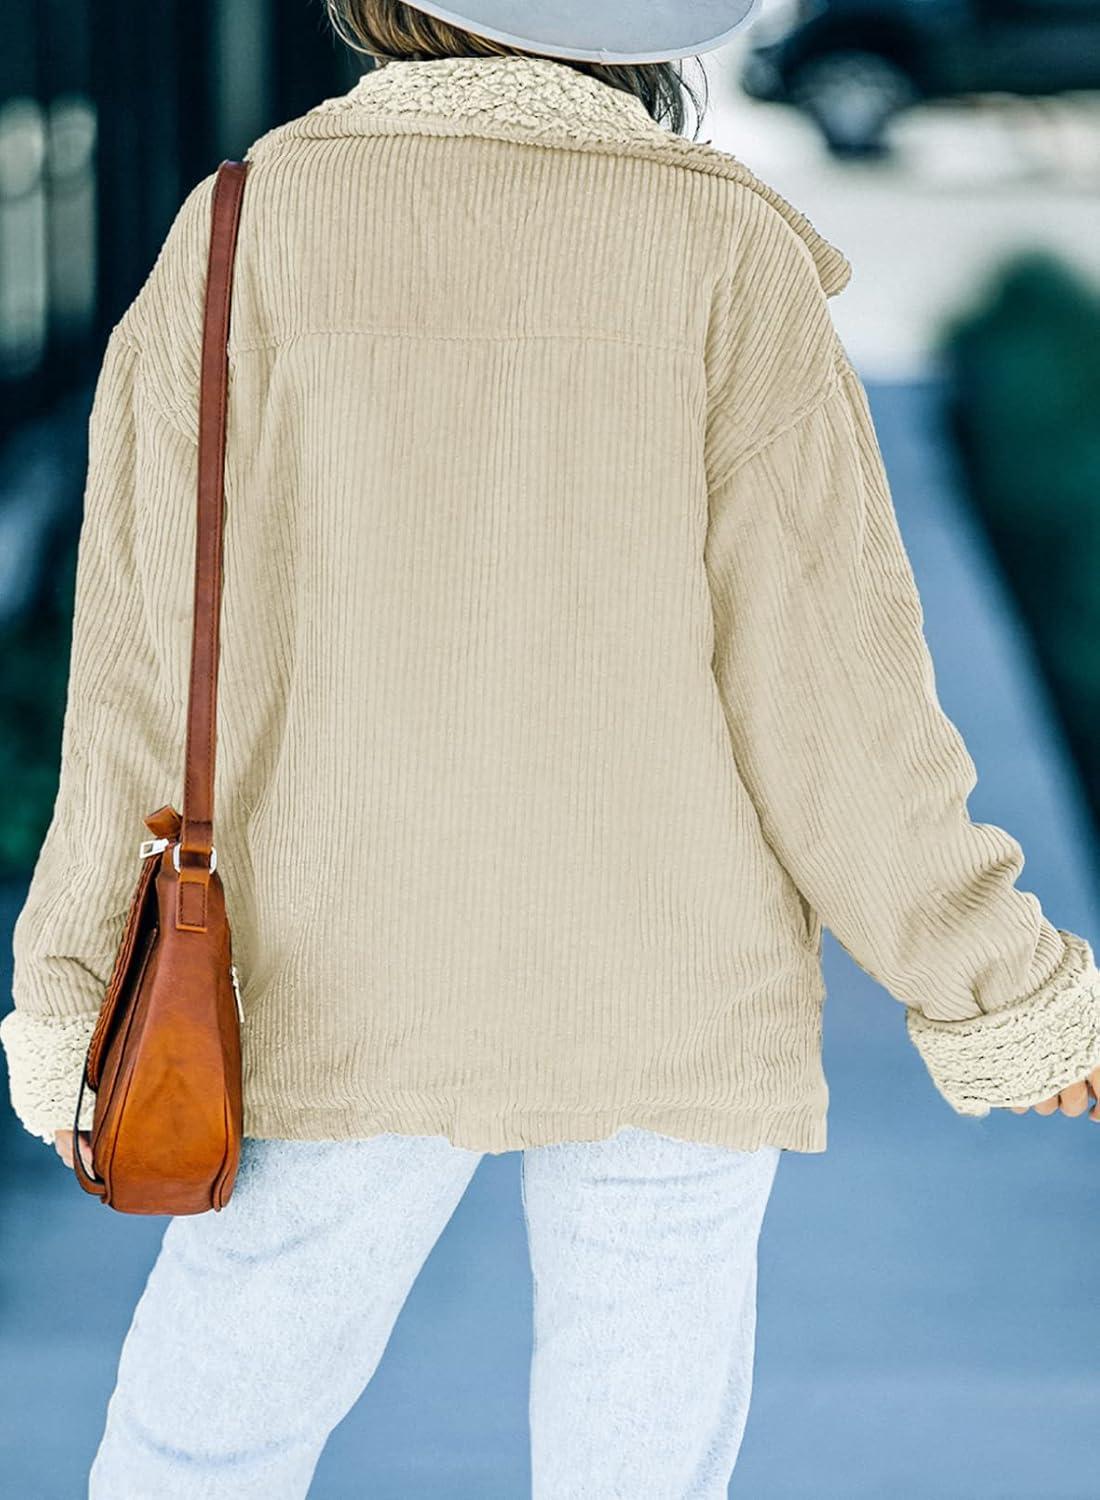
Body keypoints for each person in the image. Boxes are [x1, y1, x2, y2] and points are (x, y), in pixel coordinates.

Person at [4, 1, 1100, 1495]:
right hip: (670, 964)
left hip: (333, 958)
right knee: (638, 1461)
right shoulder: (721, 248)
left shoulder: (245, 229)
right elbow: (835, 686)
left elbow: (140, 650)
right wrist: (999, 986)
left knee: (208, 1438)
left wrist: (75, 978)